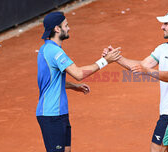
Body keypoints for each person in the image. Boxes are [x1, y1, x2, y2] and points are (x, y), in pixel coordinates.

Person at [104, 10, 168, 152]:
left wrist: (148, 72)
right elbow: (142, 65)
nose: (162, 27)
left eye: (165, 23)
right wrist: (117, 58)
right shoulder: (163, 48)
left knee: (156, 149)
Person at [36, 12, 121, 152]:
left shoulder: (47, 49)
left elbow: (52, 81)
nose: (69, 28)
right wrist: (105, 61)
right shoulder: (53, 51)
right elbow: (79, 73)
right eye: (66, 25)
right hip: (51, 115)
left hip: (59, 113)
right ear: (57, 29)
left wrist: (73, 86)